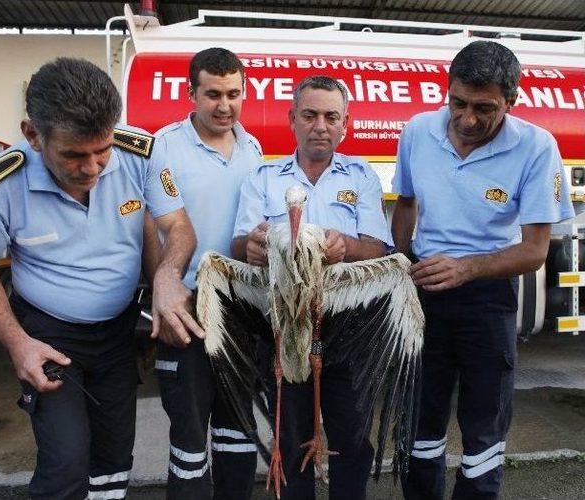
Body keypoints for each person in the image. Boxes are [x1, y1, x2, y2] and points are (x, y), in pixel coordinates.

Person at [0, 58, 201, 500]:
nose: (92, 168)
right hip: (48, 336)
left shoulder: (139, 153)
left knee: (113, 459)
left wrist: (167, 277)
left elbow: (177, 226)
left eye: (101, 150)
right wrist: (18, 343)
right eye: (73, 154)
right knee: (66, 463)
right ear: (33, 134)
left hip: (118, 333)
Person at [391, 41, 574, 499]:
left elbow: (534, 250)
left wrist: (467, 269)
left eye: (485, 108)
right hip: (424, 289)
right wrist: (399, 264)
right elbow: (406, 203)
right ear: (446, 91)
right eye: (459, 103)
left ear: (511, 101)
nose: (468, 119)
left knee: (484, 426)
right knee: (420, 418)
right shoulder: (417, 131)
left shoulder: (536, 147)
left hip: (488, 297)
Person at [231, 75, 392, 500]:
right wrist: (252, 246)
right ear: (292, 120)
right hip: (284, 327)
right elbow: (239, 241)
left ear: (345, 124)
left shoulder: (362, 177)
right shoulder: (263, 178)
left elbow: (377, 247)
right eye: (310, 115)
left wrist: (347, 246)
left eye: (331, 116)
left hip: (349, 328)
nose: (320, 125)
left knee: (351, 437)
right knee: (289, 435)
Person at [146, 48, 263, 500]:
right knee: (190, 436)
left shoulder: (253, 149)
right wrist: (161, 283)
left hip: (242, 308)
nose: (224, 105)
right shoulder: (166, 146)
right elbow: (156, 227)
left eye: (234, 94)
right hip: (187, 306)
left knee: (238, 431)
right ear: (191, 93)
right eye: (212, 94)